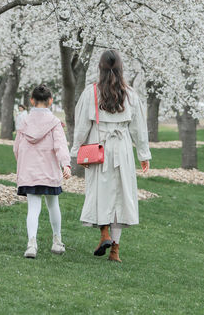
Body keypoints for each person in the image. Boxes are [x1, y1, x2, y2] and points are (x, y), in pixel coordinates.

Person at [71, 48, 151, 264]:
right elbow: (139, 128)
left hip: (100, 147)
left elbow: (81, 126)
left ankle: (104, 234)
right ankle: (115, 249)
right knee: (121, 195)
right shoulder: (130, 94)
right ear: (121, 68)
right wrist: (143, 153)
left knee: (101, 192)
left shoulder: (91, 93)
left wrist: (76, 149)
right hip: (122, 148)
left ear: (100, 68)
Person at [13, 84, 72, 258]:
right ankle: (57, 241)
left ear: (31, 101)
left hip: (29, 172)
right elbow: (60, 145)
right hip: (49, 172)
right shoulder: (54, 123)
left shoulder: (24, 122)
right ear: (50, 101)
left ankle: (32, 244)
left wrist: (22, 164)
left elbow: (16, 148)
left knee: (33, 208)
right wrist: (66, 165)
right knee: (53, 205)